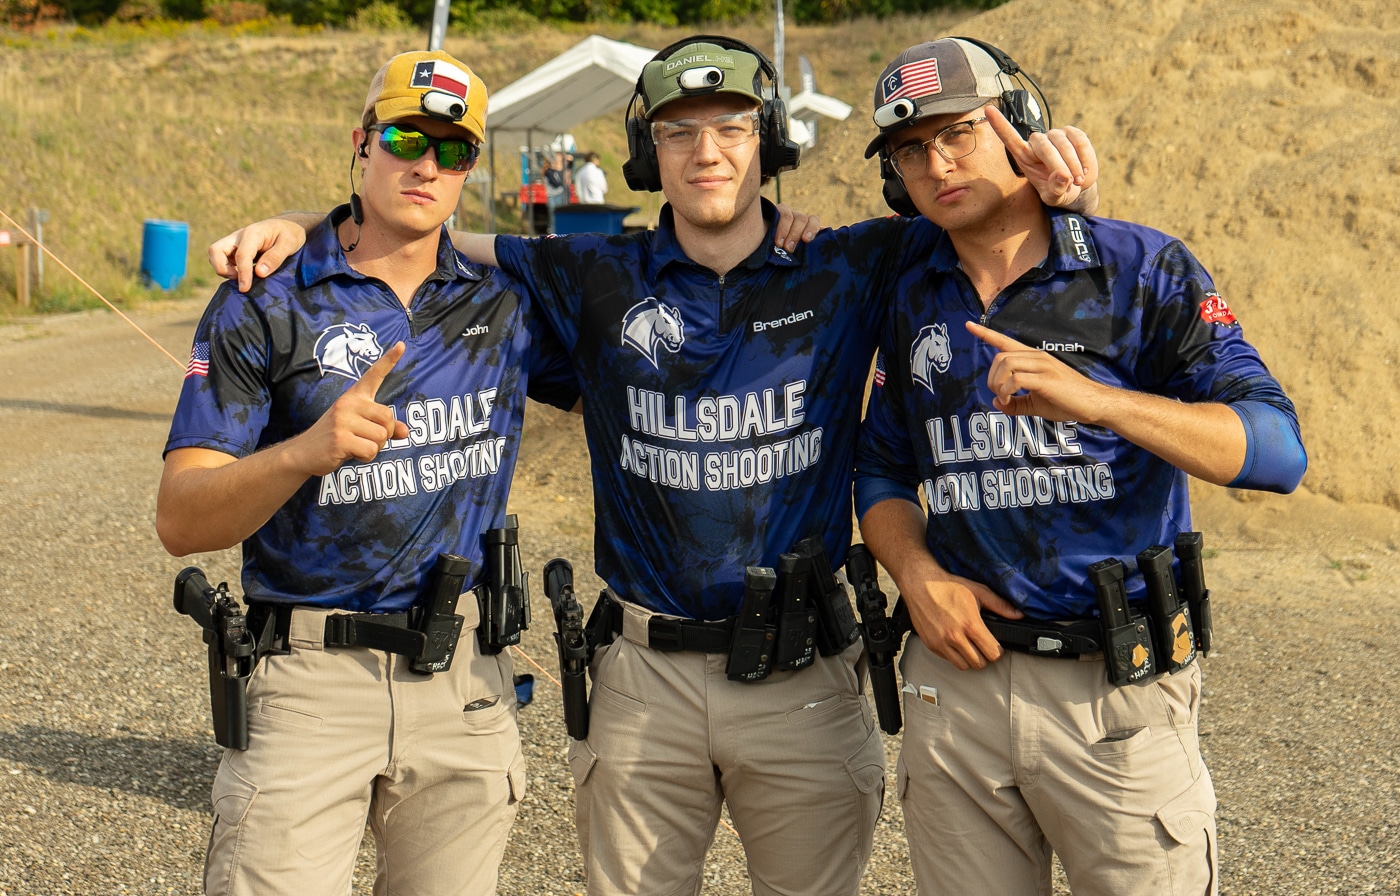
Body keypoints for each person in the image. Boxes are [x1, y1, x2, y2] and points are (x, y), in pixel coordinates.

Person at [206, 34, 1100, 896]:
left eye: (734, 127)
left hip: (806, 681)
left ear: (772, 143)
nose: (707, 151)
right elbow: (421, 236)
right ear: (647, 149)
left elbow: (982, 220)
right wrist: (296, 225)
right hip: (643, 679)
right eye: (678, 130)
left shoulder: (850, 262)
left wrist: (1061, 188)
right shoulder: (591, 274)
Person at [853, 38, 1307, 896]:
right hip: (958, 695)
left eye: (959, 133)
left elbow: (1277, 452)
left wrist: (1101, 401)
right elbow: (880, 471)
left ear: (1022, 127)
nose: (937, 163)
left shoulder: (1140, 270)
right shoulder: (906, 291)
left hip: (1116, 697)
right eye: (911, 151)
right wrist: (916, 575)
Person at [155, 49, 578, 896]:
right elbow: (182, 520)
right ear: (363, 143)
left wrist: (778, 227)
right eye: (403, 137)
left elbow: (672, 298)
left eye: (453, 150)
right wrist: (306, 450)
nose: (426, 163)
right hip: (310, 685)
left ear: (471, 169)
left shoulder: (509, 300)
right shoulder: (266, 296)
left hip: (464, 683)